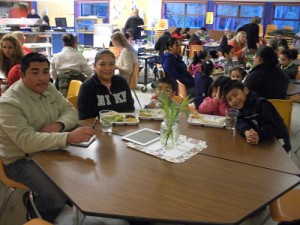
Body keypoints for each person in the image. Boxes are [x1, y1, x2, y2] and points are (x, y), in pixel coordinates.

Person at [0, 52, 95, 222]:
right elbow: (27, 143)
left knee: (83, 177)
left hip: (48, 149)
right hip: (21, 159)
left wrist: (58, 125)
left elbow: (71, 111)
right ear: (22, 75)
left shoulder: (49, 88)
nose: (43, 78)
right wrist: (67, 137)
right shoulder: (9, 103)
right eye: (35, 72)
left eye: (45, 72)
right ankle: (35, 215)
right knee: (55, 195)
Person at [222, 80, 291, 152]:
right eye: (229, 99)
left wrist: (259, 136)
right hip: (261, 144)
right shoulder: (241, 107)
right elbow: (240, 120)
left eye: (235, 95)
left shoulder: (261, 104)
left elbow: (272, 127)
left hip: (279, 145)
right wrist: (246, 131)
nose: (233, 100)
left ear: (245, 91)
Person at [77, 49, 135, 120]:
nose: (107, 68)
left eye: (111, 64)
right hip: (99, 128)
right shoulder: (87, 87)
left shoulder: (121, 82)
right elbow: (84, 118)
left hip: (123, 127)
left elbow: (130, 109)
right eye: (102, 64)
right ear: (94, 66)